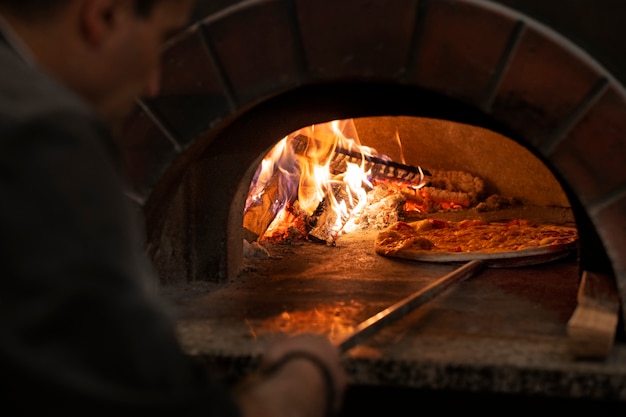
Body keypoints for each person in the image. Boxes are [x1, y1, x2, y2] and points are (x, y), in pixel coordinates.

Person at [0, 0, 346, 415]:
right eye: (163, 39)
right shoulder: (44, 137)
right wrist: (304, 378)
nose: (152, 84)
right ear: (105, 15)